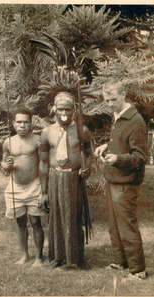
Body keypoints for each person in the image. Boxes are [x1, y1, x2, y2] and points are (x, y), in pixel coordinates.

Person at [94, 81, 148, 282]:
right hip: (114, 179)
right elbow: (121, 142)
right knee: (114, 224)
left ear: (123, 94)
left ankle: (138, 270)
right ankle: (120, 261)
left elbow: (140, 157)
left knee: (127, 225)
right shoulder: (119, 117)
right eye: (106, 100)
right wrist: (106, 146)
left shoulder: (136, 121)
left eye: (113, 99)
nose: (109, 104)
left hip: (127, 182)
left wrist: (118, 159)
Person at [39, 91, 92, 268]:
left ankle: (74, 259)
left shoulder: (81, 130)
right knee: (56, 216)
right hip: (55, 176)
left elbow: (89, 154)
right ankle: (57, 257)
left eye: (67, 109)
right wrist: (44, 192)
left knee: (74, 216)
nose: (64, 113)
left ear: (73, 110)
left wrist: (87, 169)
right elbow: (43, 162)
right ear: (54, 109)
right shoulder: (47, 132)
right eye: (60, 109)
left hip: (74, 178)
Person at [1, 106, 46, 267]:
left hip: (34, 185)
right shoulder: (8, 141)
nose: (22, 125)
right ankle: (24, 255)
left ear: (31, 123)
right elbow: (3, 163)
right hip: (15, 187)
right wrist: (6, 165)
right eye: (18, 122)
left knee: (35, 222)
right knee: (20, 223)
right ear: (13, 124)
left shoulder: (37, 140)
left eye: (25, 122)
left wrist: (43, 188)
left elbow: (43, 164)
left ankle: (39, 257)